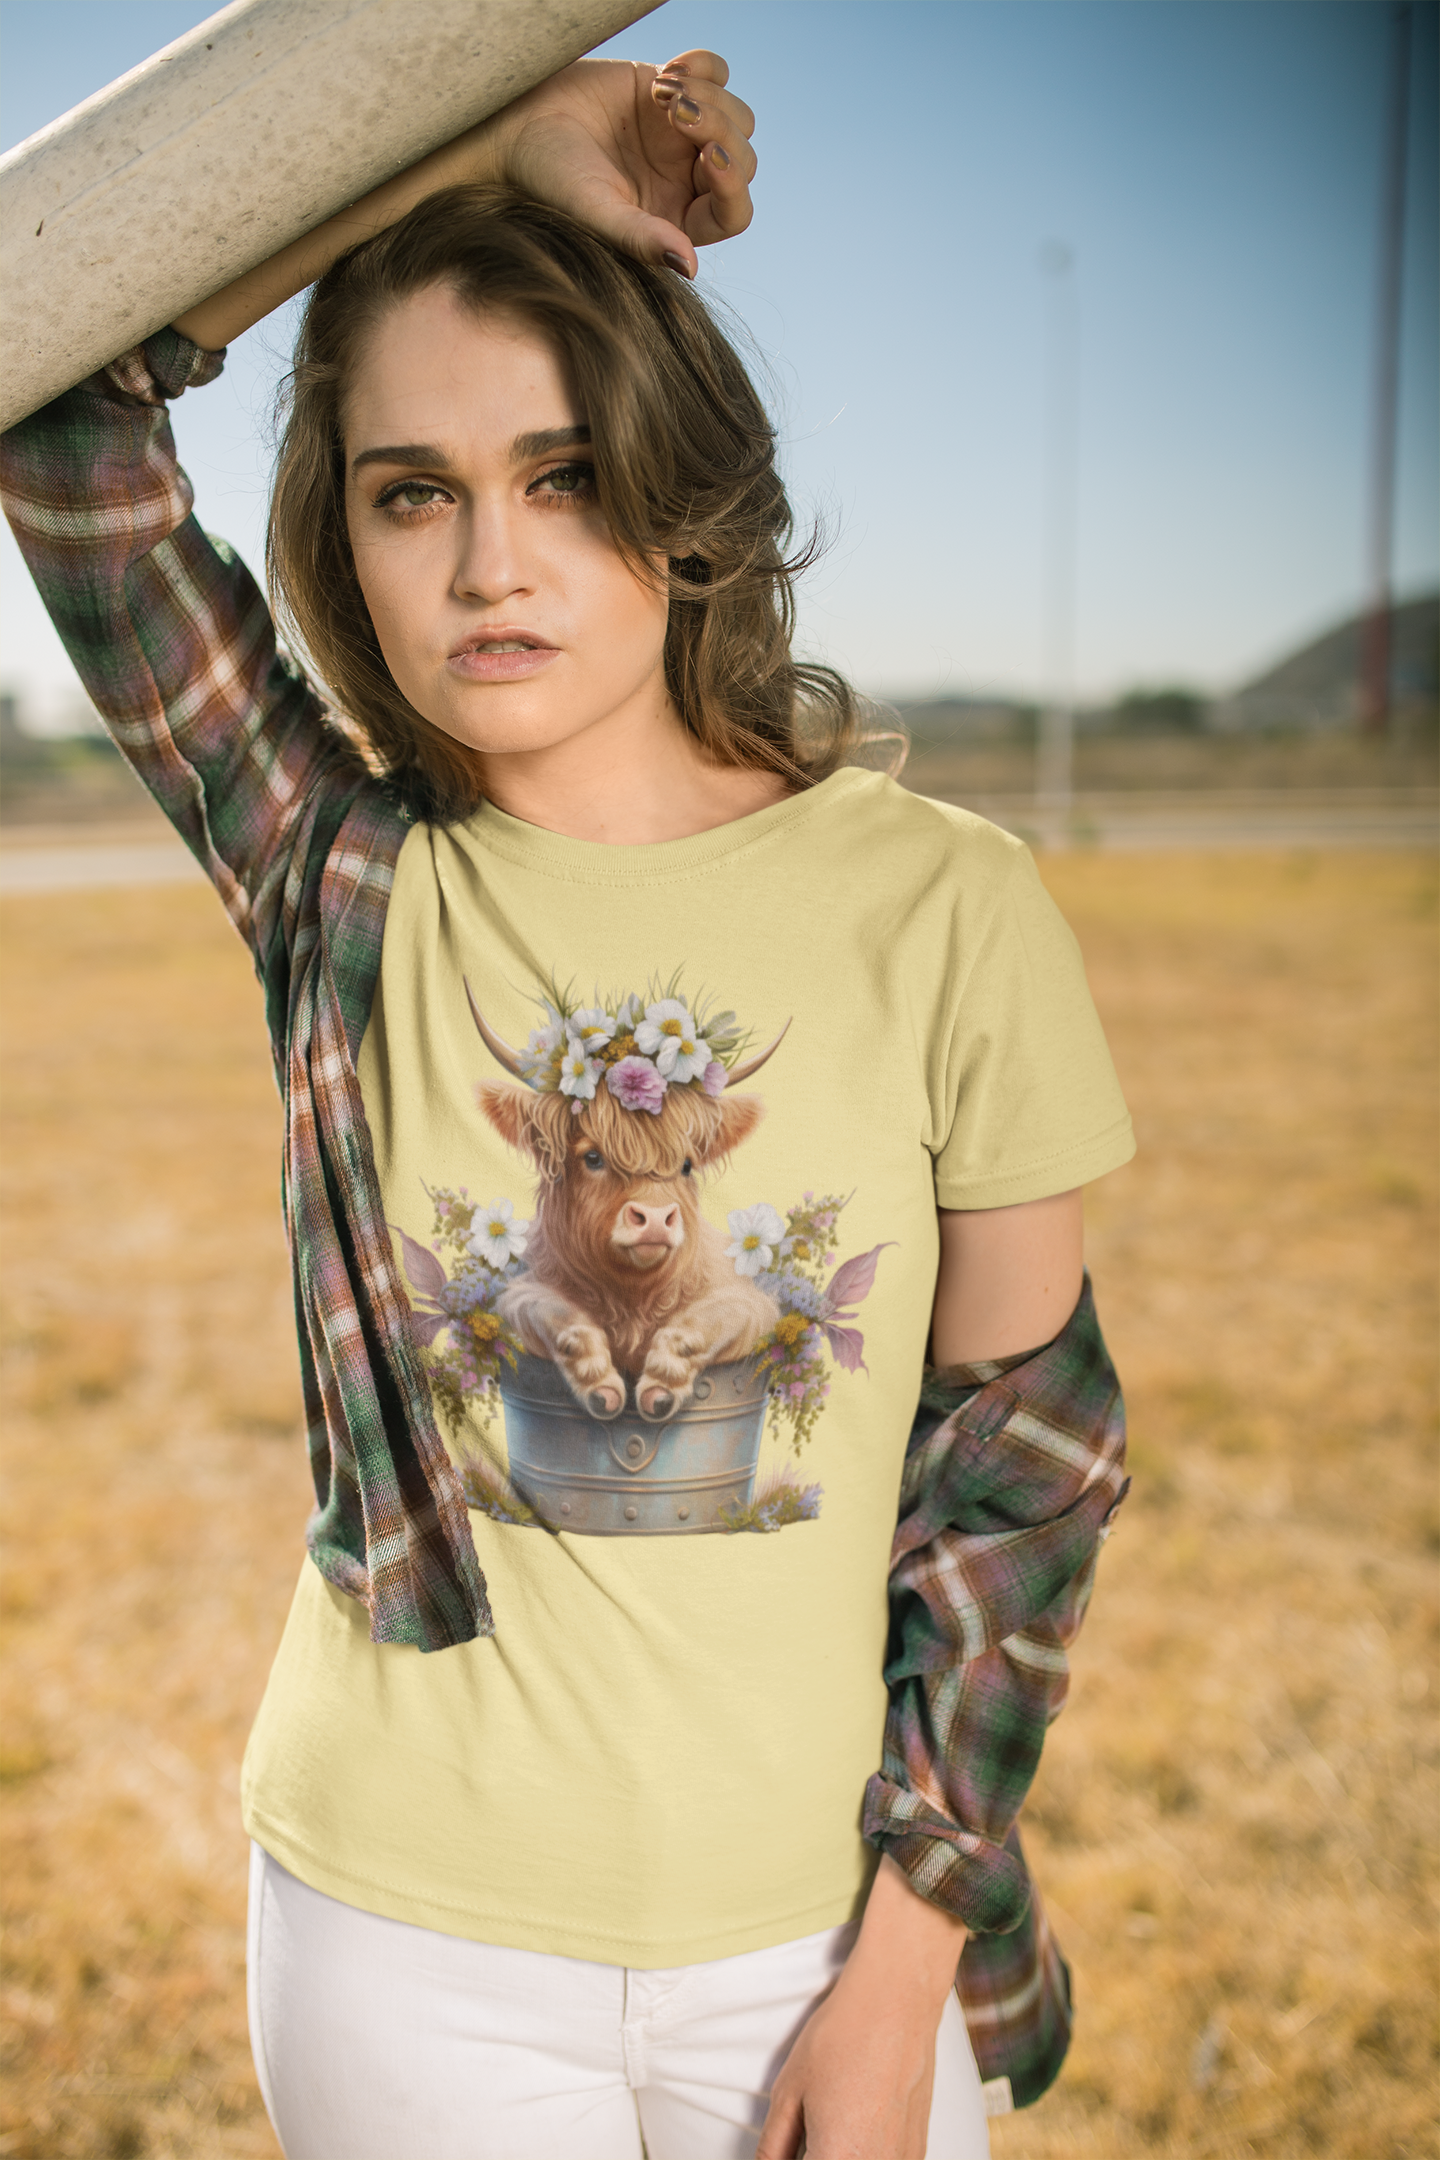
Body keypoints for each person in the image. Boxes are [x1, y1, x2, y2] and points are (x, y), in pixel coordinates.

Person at [1, 48, 1133, 2160]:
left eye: (562, 472)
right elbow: (53, 395)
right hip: (396, 1943)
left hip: (818, 1946)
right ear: (343, 532)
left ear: (678, 491)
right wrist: (468, 147)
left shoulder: (947, 906)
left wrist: (900, 1984)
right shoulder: (341, 880)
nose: (487, 564)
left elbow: (1028, 1480)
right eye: (409, 487)